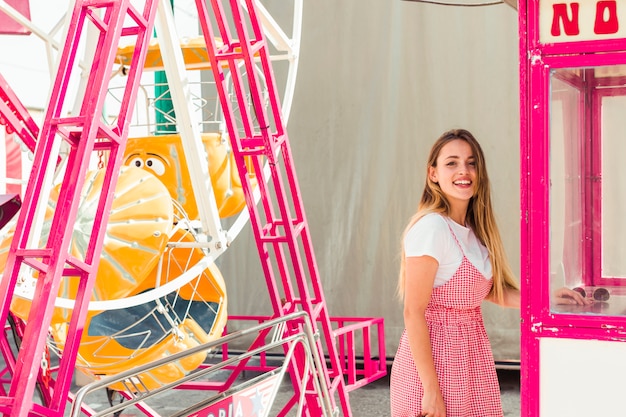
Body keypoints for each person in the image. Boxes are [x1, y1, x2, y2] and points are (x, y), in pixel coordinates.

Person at [389, 128, 589, 417]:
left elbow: (494, 292)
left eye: (471, 163)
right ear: (433, 174)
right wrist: (431, 390)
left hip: (471, 358)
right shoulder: (432, 228)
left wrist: (545, 298)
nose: (464, 171)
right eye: (452, 163)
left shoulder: (474, 231)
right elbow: (413, 312)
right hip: (437, 361)